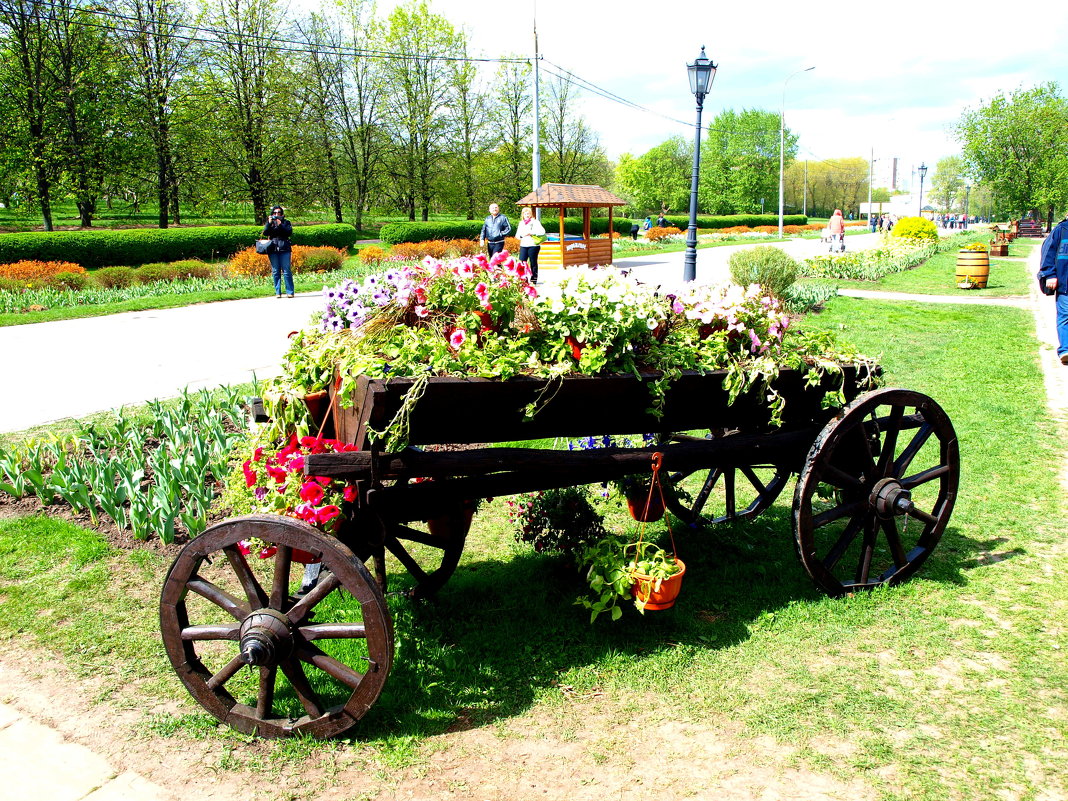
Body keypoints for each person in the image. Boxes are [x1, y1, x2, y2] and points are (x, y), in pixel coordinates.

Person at [1039, 214, 1068, 365]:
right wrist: (1049, 274)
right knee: (1065, 316)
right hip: (1065, 283)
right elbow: (1048, 253)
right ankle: (1065, 350)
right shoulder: (1061, 230)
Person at [262, 205, 294, 298]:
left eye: (279, 213)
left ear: (282, 214)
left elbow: (288, 232)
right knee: (275, 271)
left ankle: (290, 291)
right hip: (273, 249)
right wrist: (268, 223)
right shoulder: (270, 223)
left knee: (286, 270)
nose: (277, 214)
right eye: (275, 213)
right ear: (272, 214)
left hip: (284, 248)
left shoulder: (286, 222)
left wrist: (280, 224)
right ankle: (278, 292)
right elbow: (265, 232)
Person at [516, 206, 547, 284]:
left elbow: (542, 232)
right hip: (524, 244)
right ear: (523, 215)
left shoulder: (535, 222)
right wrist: (522, 236)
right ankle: (524, 279)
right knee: (522, 262)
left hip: (533, 245)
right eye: (525, 213)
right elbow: (517, 235)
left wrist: (531, 233)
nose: (527, 215)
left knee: (533, 262)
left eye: (528, 213)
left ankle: (534, 279)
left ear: (531, 214)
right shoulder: (521, 223)